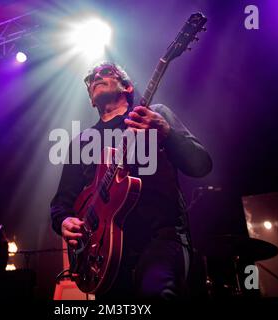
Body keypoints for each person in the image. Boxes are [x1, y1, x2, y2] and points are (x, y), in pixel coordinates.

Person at [50, 61, 212, 300]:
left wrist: (165, 131)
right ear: (91, 100)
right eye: (91, 78)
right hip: (105, 255)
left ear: (127, 87)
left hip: (161, 238)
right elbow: (61, 203)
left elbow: (201, 164)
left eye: (105, 72)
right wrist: (63, 222)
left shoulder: (153, 115)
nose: (96, 76)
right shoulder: (81, 142)